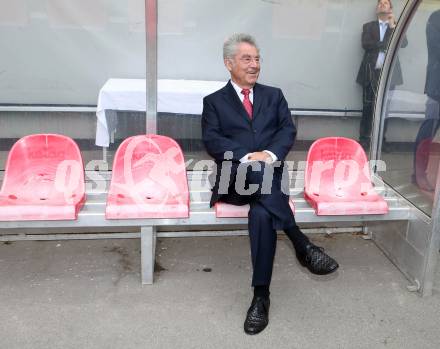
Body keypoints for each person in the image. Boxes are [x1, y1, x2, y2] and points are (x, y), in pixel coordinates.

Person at [201, 33, 338, 335]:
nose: (254, 65)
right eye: (247, 59)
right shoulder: (213, 102)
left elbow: (287, 131)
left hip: (270, 177)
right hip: (233, 178)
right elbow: (213, 140)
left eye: (257, 59)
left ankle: (260, 297)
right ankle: (301, 242)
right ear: (229, 63)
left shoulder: (274, 95)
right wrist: (250, 156)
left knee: (262, 214)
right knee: (256, 172)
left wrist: (270, 155)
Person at [356, 0, 406, 149]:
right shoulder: (368, 26)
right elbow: (366, 44)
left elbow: (403, 43)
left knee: (385, 109)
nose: (381, 4)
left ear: (391, 9)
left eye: (385, 3)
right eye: (380, 3)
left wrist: (392, 27)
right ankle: (364, 139)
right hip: (370, 73)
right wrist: (385, 44)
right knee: (368, 106)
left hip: (389, 75)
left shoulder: (395, 26)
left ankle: (380, 140)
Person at [412, 9, 440, 191]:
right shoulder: (436, 17)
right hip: (438, 86)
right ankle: (419, 174)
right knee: (428, 130)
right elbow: (436, 47)